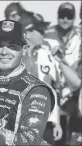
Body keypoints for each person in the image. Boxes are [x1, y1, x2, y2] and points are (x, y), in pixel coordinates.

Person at [19, 12, 63, 145]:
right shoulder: (11, 56)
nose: (43, 33)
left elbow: (53, 89)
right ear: (27, 32)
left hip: (46, 123)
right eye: (39, 30)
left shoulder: (47, 54)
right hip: (20, 123)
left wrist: (56, 121)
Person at [43, 2, 81, 145]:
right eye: (62, 16)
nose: (65, 20)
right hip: (55, 93)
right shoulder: (47, 34)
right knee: (56, 138)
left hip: (74, 95)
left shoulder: (79, 35)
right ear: (57, 16)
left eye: (69, 17)